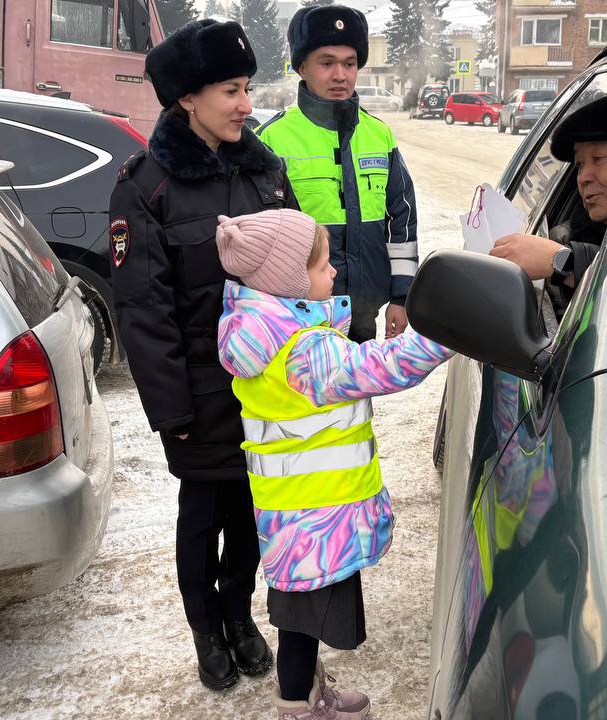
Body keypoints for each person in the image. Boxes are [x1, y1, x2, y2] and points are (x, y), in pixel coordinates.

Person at [215, 209, 452, 719]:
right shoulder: (302, 352)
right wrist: (447, 331)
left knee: (299, 617)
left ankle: (305, 692)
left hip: (293, 515)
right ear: (291, 281)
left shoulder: (266, 335)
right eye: (323, 267)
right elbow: (380, 367)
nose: (334, 275)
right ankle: (298, 706)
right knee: (301, 625)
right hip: (317, 518)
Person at [108, 19, 286, 691]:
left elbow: (297, 269)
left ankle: (240, 616)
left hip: (263, 390)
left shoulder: (264, 172)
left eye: (247, 89)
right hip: (199, 393)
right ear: (187, 98)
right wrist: (172, 406)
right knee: (204, 513)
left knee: (250, 509)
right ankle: (205, 628)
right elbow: (142, 310)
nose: (246, 104)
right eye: (230, 91)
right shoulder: (146, 187)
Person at [258, 4, 419, 344]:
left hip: (363, 313)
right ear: (301, 66)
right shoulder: (272, 140)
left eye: (349, 63)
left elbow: (403, 220)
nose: (340, 75)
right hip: (299, 315)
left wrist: (401, 297)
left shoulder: (380, 136)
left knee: (358, 397)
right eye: (327, 63)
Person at [491, 88, 607, 307]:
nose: (583, 178)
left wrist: (564, 262)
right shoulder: (565, 235)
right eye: (579, 165)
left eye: (599, 158)